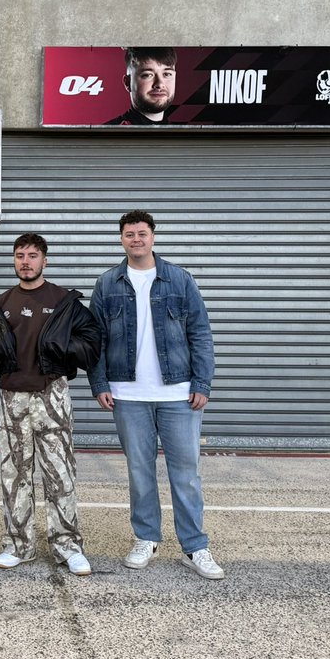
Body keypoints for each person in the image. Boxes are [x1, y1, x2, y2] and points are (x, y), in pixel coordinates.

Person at [88, 210, 224, 580]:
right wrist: (100, 384)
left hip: (178, 393)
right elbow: (95, 339)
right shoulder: (107, 283)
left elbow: (201, 332)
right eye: (129, 234)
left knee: (186, 473)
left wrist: (202, 383)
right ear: (121, 239)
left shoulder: (180, 279)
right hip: (127, 394)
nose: (136, 239)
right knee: (140, 471)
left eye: (142, 233)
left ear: (153, 237)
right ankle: (146, 538)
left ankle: (195, 546)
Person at [0, 233, 101, 576]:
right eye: (20, 255)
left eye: (32, 255)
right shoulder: (2, 302)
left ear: (45, 260)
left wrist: (61, 350)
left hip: (51, 395)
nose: (25, 262)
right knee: (14, 474)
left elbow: (92, 343)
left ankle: (68, 546)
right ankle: (18, 545)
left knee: (60, 473)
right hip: (11, 398)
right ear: (14, 260)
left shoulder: (63, 301)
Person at [104, 47, 177, 125]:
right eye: (147, 75)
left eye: (167, 74)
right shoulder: (107, 132)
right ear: (127, 83)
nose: (159, 84)